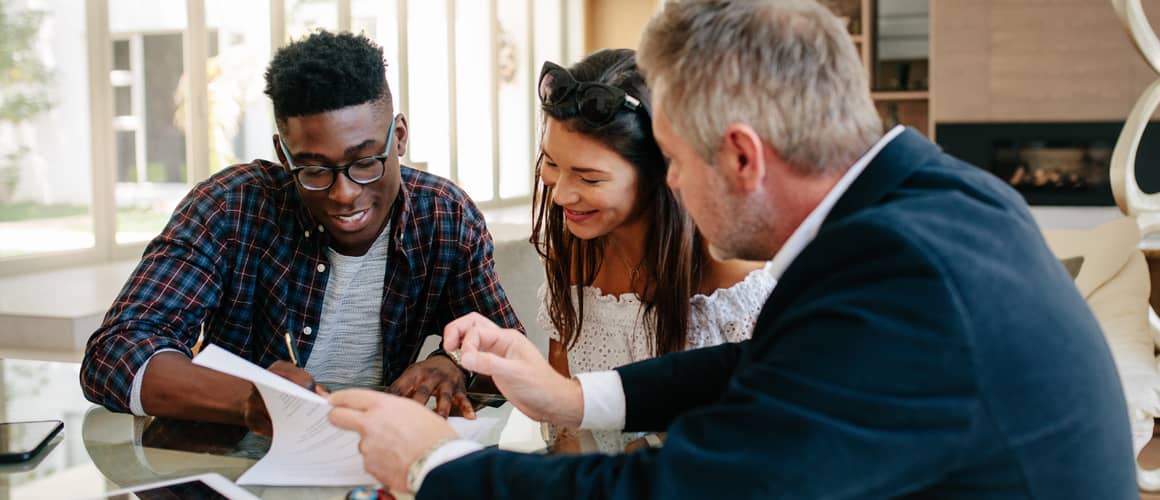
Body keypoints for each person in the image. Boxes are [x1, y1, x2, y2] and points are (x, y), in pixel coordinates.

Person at [327, 1, 1136, 498]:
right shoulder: (932, 199)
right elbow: (762, 365)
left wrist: (436, 469)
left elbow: (690, 490)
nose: (671, 185)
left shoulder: (903, 280)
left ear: (743, 157)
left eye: (674, 159)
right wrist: (573, 401)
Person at [80, 31, 521, 435]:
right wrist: (249, 401)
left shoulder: (444, 217)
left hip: (376, 456)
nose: (345, 194)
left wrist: (453, 363)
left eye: (366, 161)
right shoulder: (231, 207)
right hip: (241, 461)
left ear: (399, 138)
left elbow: (509, 352)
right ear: (283, 154)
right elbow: (115, 352)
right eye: (313, 169)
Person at [531, 49, 774, 453]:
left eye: (589, 178)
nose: (561, 195)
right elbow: (568, 428)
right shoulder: (576, 253)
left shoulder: (729, 273)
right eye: (552, 163)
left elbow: (758, 432)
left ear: (662, 174)